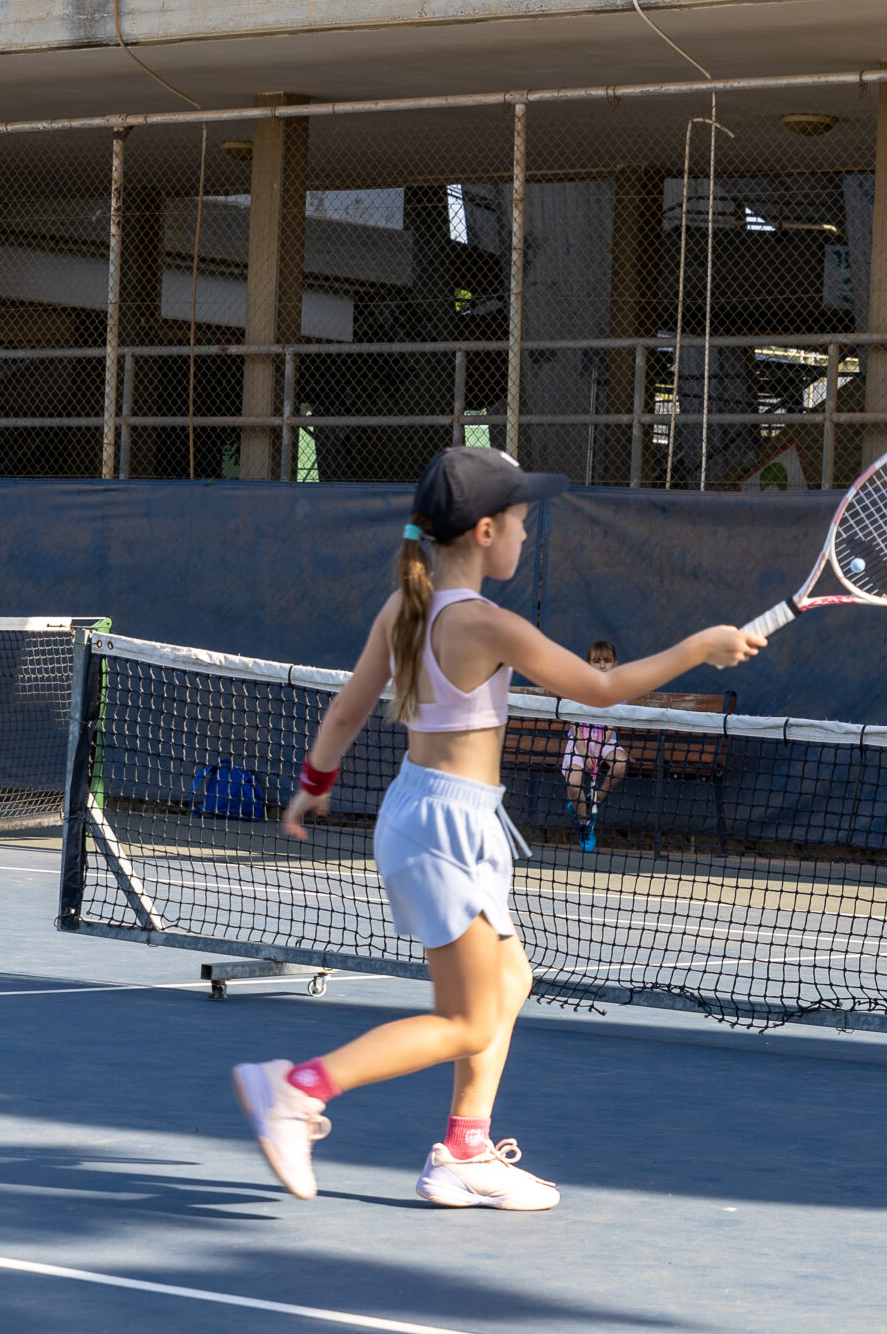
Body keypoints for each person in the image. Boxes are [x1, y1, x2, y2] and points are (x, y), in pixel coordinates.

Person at [232, 447, 763, 1211]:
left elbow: (348, 709)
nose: (525, 532)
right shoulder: (488, 623)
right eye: (519, 520)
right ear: (485, 531)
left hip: (436, 816)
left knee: (510, 983)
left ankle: (464, 1152)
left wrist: (314, 784)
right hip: (446, 828)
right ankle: (298, 1087)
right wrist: (698, 649)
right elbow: (602, 689)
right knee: (467, 1019)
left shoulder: (403, 606)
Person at [561, 640, 630, 853]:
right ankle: (584, 826)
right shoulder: (578, 689)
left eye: (606, 661)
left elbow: (611, 726)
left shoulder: (619, 691)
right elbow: (575, 726)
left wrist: (598, 752)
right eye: (596, 661)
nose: (601, 665)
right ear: (588, 664)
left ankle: (594, 800)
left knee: (620, 764)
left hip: (605, 742)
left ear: (615, 664)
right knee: (573, 786)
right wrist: (584, 753)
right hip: (579, 743)